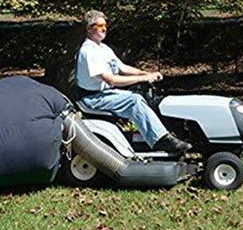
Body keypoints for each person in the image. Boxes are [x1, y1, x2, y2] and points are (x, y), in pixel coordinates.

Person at [75, 10, 192, 153]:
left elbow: (122, 68)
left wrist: (145, 73)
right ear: (89, 28)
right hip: (93, 99)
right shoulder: (88, 51)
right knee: (134, 100)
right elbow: (111, 80)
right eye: (99, 25)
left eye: (105, 25)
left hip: (105, 94)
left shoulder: (103, 48)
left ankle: (160, 133)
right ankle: (160, 140)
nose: (104, 28)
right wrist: (143, 78)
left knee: (144, 97)